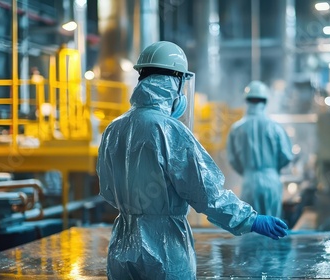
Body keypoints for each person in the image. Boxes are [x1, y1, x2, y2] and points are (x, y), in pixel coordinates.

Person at [97, 41, 288, 280]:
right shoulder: (169, 129)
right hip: (164, 248)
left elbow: (106, 189)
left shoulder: (114, 129)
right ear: (173, 82)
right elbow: (206, 194)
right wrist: (250, 219)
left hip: (123, 245)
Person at [226, 81, 294, 218]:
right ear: (266, 101)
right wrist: (273, 169)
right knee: (273, 225)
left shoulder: (237, 128)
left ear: (247, 100)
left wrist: (247, 172)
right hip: (272, 179)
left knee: (251, 224)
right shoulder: (275, 127)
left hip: (249, 180)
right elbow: (286, 155)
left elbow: (232, 160)